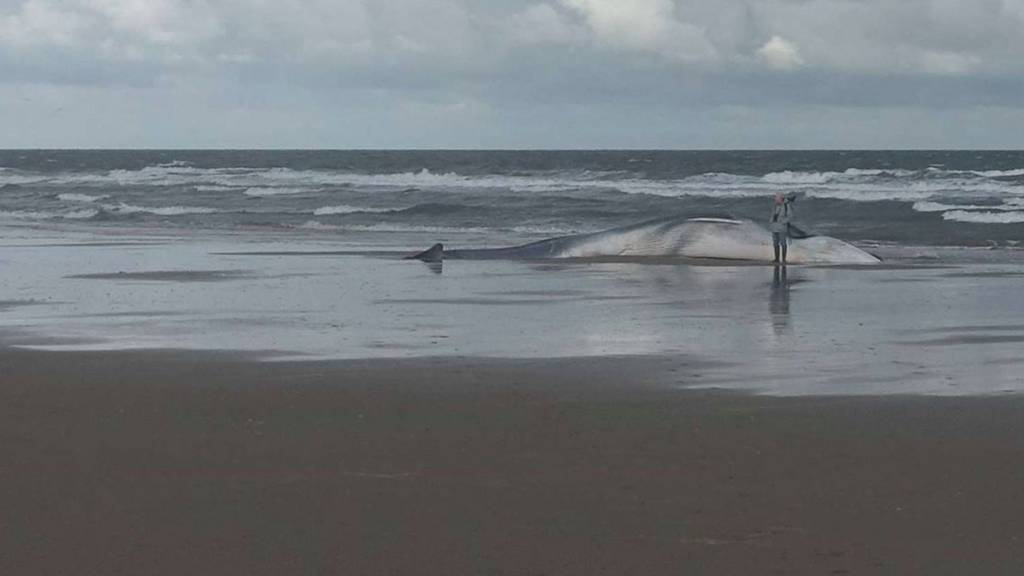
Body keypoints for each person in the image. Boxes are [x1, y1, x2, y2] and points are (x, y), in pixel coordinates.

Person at [769, 193, 794, 264]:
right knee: (775, 243)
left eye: (776, 198)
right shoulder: (775, 205)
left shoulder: (786, 206)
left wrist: (783, 222)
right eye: (775, 198)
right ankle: (776, 259)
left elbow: (790, 216)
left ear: (780, 199)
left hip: (782, 228)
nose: (775, 199)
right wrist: (771, 221)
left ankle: (783, 260)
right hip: (774, 227)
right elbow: (772, 214)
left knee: (783, 243)